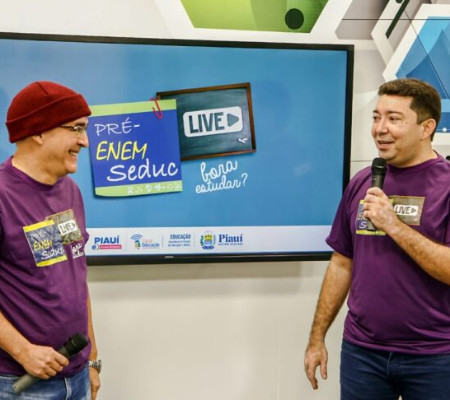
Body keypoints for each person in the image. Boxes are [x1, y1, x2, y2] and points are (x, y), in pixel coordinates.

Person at [304, 78, 450, 399]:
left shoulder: (446, 186)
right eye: (376, 117)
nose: (380, 129)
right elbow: (342, 263)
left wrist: (393, 225)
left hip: (435, 356)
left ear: (426, 128)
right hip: (362, 353)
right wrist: (317, 338)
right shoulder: (363, 182)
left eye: (394, 119)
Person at [0, 81, 101, 399]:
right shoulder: (3, 195)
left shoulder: (70, 191)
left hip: (77, 375)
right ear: (39, 131)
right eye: (76, 128)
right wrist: (24, 351)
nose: (84, 141)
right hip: (20, 382)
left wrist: (92, 359)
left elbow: (76, 276)